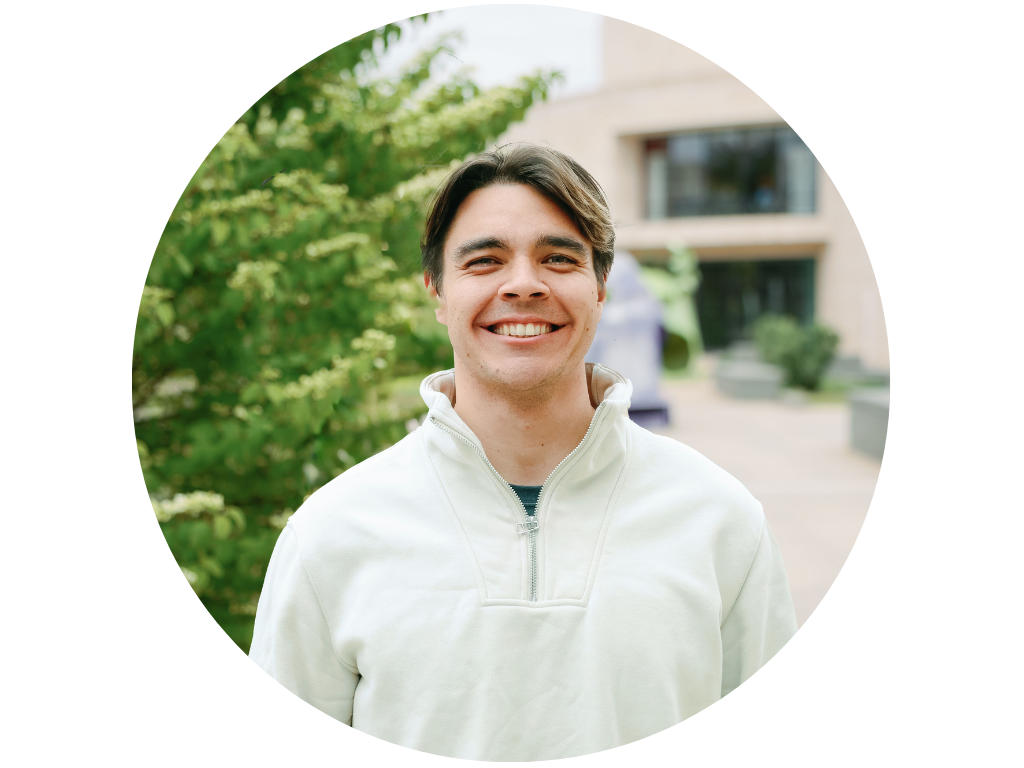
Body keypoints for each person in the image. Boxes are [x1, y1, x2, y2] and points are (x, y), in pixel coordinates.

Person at [250, 143, 798, 760]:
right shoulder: (331, 534)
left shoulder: (720, 519)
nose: (524, 284)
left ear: (600, 288)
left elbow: (769, 746)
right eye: (485, 261)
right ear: (436, 290)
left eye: (558, 258)